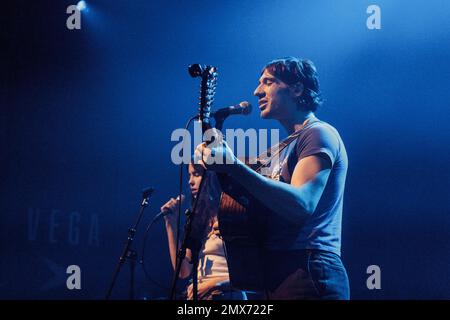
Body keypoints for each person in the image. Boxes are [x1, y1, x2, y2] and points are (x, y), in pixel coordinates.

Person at [195, 57, 350, 299]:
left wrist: (233, 166)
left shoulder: (319, 133)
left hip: (308, 266)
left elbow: (301, 205)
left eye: (268, 82)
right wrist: (220, 164)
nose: (257, 91)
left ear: (297, 89)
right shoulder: (279, 150)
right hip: (281, 270)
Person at [161, 162, 246, 300]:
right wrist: (170, 224)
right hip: (199, 294)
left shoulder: (232, 212)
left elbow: (248, 271)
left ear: (211, 176)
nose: (190, 181)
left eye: (196, 174)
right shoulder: (198, 219)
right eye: (189, 175)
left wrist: (214, 285)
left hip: (225, 294)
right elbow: (183, 272)